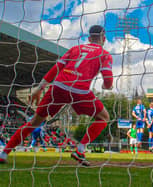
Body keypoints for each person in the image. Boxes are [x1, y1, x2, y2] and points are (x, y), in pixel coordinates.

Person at [0, 25, 113, 166]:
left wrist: (39, 88)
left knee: (34, 122)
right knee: (104, 117)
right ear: (104, 39)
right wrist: (105, 86)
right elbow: (108, 80)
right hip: (79, 91)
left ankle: (4, 153)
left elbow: (56, 68)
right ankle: (80, 149)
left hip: (58, 87)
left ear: (89, 38)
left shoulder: (74, 49)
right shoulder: (104, 54)